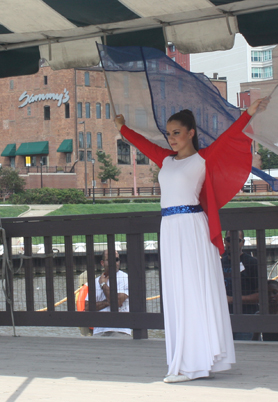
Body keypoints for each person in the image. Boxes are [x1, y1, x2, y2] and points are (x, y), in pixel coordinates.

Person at [114, 98, 265, 383]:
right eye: (168, 134)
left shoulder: (203, 159)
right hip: (169, 229)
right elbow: (143, 145)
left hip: (192, 229)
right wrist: (123, 128)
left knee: (193, 291)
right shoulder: (165, 160)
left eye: (176, 133)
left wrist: (249, 113)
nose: (171, 139)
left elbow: (230, 137)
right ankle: (188, 360)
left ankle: (195, 363)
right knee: (176, 294)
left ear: (191, 133)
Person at [221, 230, 259, 340]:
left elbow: (261, 296)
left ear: (243, 242)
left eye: (236, 240)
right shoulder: (218, 264)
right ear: (224, 241)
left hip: (246, 319)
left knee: (246, 351)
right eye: (229, 240)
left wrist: (232, 299)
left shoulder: (253, 263)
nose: (231, 243)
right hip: (223, 319)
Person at [84, 250, 131, 337]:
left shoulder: (125, 278)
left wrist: (103, 285)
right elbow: (87, 307)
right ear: (102, 263)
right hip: (98, 330)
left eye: (116, 259)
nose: (114, 262)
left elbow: (117, 302)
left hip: (120, 330)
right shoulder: (95, 282)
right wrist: (107, 302)